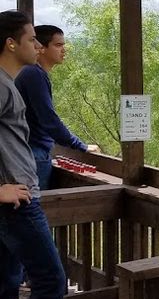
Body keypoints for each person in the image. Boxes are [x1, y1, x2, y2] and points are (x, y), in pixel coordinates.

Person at [0, 11, 92, 299]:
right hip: (17, 203)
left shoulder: (9, 82)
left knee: (4, 283)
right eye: (31, 39)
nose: (37, 46)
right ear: (11, 43)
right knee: (51, 280)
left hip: (16, 197)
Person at [14, 25, 99, 190]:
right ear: (41, 48)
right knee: (34, 203)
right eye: (58, 45)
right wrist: (80, 145)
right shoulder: (34, 74)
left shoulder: (29, 72)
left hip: (27, 151)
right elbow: (48, 119)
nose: (64, 50)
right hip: (34, 153)